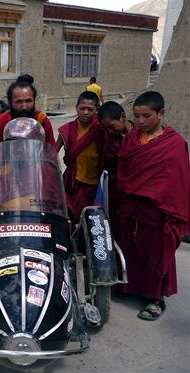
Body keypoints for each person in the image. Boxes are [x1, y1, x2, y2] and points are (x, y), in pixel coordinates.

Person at [117, 91, 189, 321]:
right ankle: (129, 288)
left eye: (146, 116)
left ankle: (156, 299)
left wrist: (168, 208)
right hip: (132, 207)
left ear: (161, 113)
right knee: (129, 249)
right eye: (136, 116)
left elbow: (177, 181)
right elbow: (125, 170)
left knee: (156, 255)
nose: (139, 121)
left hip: (157, 211)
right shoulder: (132, 139)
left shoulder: (174, 144)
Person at [56, 91, 103, 225]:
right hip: (73, 183)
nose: (86, 112)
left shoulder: (100, 129)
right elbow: (52, 152)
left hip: (94, 185)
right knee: (70, 218)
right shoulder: (68, 129)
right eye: (82, 108)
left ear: (96, 110)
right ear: (76, 107)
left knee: (91, 221)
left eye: (90, 109)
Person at [97, 101, 133, 240]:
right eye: (105, 129)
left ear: (123, 117)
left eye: (111, 127)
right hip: (116, 195)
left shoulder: (139, 136)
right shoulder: (110, 141)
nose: (109, 132)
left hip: (137, 195)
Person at [0, 74, 56, 149]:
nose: (24, 107)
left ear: (34, 101)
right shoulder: (0, 124)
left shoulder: (42, 121)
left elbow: (51, 151)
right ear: (10, 102)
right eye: (19, 102)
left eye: (28, 101)